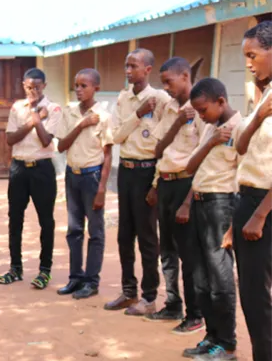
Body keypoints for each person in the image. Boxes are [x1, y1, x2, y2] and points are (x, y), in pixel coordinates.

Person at [173, 78, 240, 361]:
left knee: (221, 278)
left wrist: (234, 223)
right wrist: (211, 140)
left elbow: (246, 177)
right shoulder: (212, 129)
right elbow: (190, 166)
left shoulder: (242, 128)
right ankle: (211, 337)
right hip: (200, 201)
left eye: (204, 110)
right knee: (201, 277)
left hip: (221, 205)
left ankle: (226, 343)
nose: (200, 115)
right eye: (197, 111)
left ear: (221, 102)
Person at [222, 20, 272, 361]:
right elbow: (239, 147)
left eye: (253, 55)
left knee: (259, 298)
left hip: (265, 208)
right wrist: (257, 115)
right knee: (253, 297)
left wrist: (259, 215)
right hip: (248, 200)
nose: (249, 64)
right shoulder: (264, 95)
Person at [142, 57, 205, 335]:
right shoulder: (170, 108)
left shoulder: (203, 108)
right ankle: (173, 304)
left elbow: (205, 161)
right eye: (162, 82)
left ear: (185, 76)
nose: (165, 87)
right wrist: (156, 184)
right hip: (166, 183)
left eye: (169, 81)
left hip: (186, 185)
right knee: (166, 250)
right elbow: (159, 150)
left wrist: (189, 201)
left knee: (189, 254)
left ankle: (195, 314)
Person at [105, 48, 169, 315]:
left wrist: (156, 183)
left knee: (147, 237)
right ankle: (128, 291)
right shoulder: (123, 99)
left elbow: (166, 144)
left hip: (147, 171)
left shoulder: (161, 99)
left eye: (133, 66)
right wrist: (139, 113)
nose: (128, 71)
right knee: (124, 235)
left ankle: (150, 296)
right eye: (126, 66)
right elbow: (116, 136)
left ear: (148, 69)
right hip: (127, 172)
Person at [0, 68, 61, 289]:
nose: (32, 91)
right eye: (28, 87)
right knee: (15, 218)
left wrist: (39, 120)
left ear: (44, 85)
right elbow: (10, 139)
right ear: (23, 86)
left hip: (42, 169)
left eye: (36, 86)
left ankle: (45, 270)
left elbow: (46, 141)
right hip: (19, 169)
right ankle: (15, 268)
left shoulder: (53, 108)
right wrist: (33, 121)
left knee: (46, 221)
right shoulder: (17, 107)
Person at [55, 68, 114, 300]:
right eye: (76, 85)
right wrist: (80, 125)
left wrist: (102, 189)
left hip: (92, 177)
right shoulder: (70, 113)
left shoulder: (103, 117)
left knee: (96, 231)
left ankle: (91, 281)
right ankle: (75, 277)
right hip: (73, 175)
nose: (78, 90)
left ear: (95, 88)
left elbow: (107, 155)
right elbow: (61, 147)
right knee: (74, 229)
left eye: (84, 86)